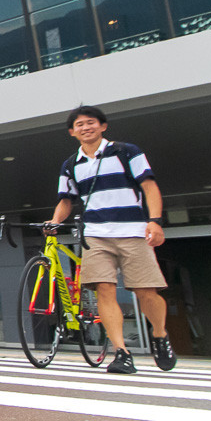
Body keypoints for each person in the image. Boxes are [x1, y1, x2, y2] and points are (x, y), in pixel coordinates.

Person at [46, 105, 176, 374]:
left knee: (145, 291)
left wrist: (155, 221)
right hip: (95, 236)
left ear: (103, 126)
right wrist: (54, 222)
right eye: (79, 124)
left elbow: (149, 187)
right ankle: (122, 352)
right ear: (72, 132)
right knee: (103, 290)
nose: (86, 128)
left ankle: (160, 335)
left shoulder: (127, 151)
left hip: (133, 232)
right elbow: (66, 200)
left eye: (91, 122)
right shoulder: (70, 164)